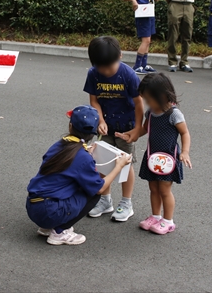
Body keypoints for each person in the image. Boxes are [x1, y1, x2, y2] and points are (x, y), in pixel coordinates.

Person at [26, 106, 133, 246]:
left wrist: (85, 154)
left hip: (33, 206)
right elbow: (99, 188)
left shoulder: (59, 145)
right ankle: (59, 231)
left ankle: (47, 226)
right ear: (94, 132)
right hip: (50, 211)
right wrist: (119, 166)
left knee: (72, 184)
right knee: (93, 193)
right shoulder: (82, 157)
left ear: (70, 126)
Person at [117, 72, 191, 235]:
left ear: (163, 96)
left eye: (149, 100)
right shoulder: (150, 113)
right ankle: (156, 216)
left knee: (165, 190)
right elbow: (144, 129)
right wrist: (131, 134)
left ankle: (168, 221)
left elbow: (185, 133)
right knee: (153, 188)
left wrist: (185, 152)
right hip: (152, 157)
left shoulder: (174, 114)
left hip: (168, 159)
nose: (147, 103)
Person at [83, 36, 144, 222]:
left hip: (126, 128)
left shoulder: (128, 75)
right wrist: (100, 119)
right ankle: (105, 200)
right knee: (102, 161)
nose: (107, 71)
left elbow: (139, 103)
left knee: (126, 163)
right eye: (102, 68)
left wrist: (137, 129)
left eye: (110, 66)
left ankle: (126, 203)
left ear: (120, 56)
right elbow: (94, 100)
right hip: (105, 127)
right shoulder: (93, 74)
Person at [120, 0, 160, 74]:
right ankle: (137, 65)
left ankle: (144, 64)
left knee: (149, 40)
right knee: (145, 40)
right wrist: (133, 0)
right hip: (142, 15)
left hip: (150, 14)